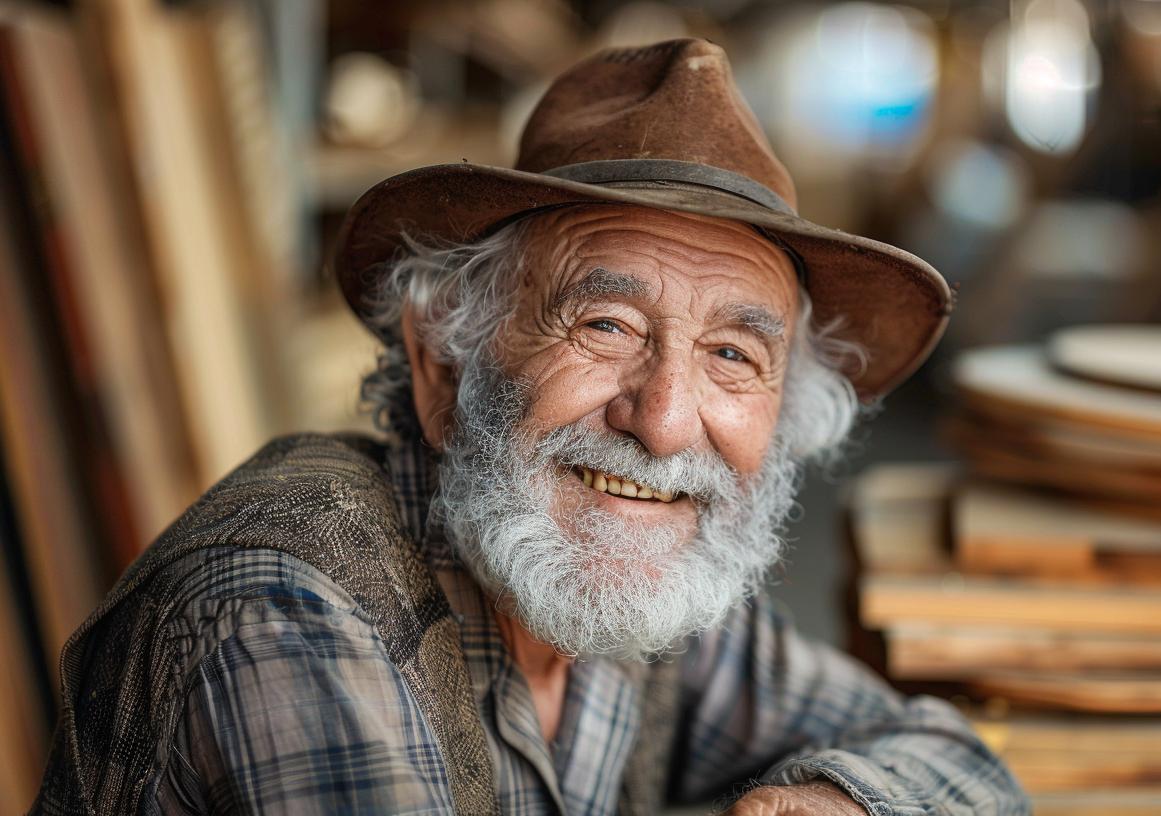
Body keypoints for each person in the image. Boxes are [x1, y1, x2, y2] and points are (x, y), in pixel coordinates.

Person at [34, 39, 1028, 815]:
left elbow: (951, 756)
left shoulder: (646, 587)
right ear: (443, 361)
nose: (666, 422)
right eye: (605, 325)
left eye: (733, 355)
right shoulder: (287, 613)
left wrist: (845, 800)